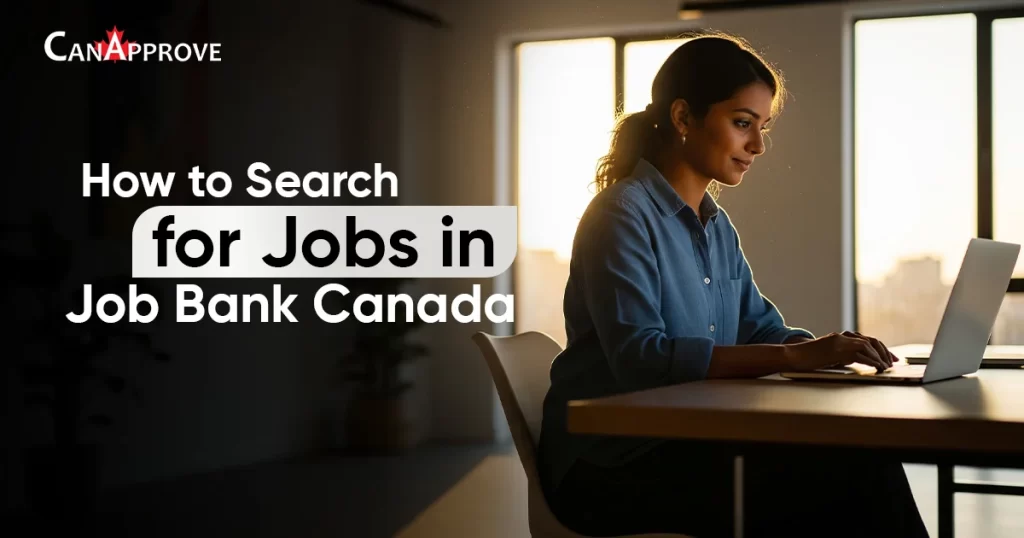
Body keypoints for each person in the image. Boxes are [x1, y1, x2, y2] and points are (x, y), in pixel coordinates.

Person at [537, 30, 929, 538]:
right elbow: (643, 359)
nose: (758, 146)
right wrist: (793, 359)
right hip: (608, 466)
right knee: (850, 478)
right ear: (683, 118)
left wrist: (831, 352)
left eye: (761, 127)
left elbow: (760, 327)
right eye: (743, 123)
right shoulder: (621, 214)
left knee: (859, 462)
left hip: (681, 445)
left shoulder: (716, 226)